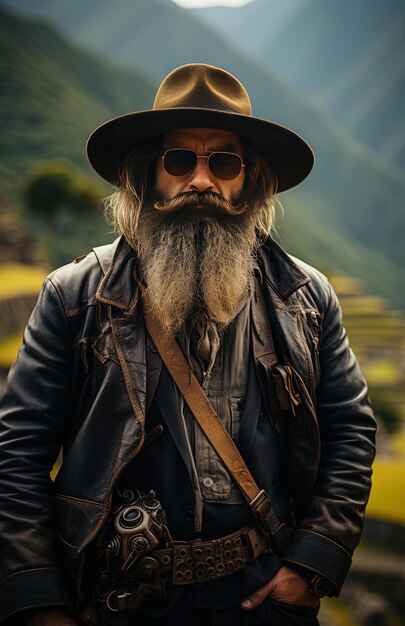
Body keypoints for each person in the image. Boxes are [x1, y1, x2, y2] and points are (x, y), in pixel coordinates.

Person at [0, 63, 376, 626]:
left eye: (223, 161)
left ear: (250, 179)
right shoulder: (74, 296)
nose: (201, 181)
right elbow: (17, 456)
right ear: (148, 176)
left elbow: (350, 430)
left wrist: (312, 562)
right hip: (116, 604)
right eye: (180, 160)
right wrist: (39, 604)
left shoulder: (306, 298)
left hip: (262, 598)